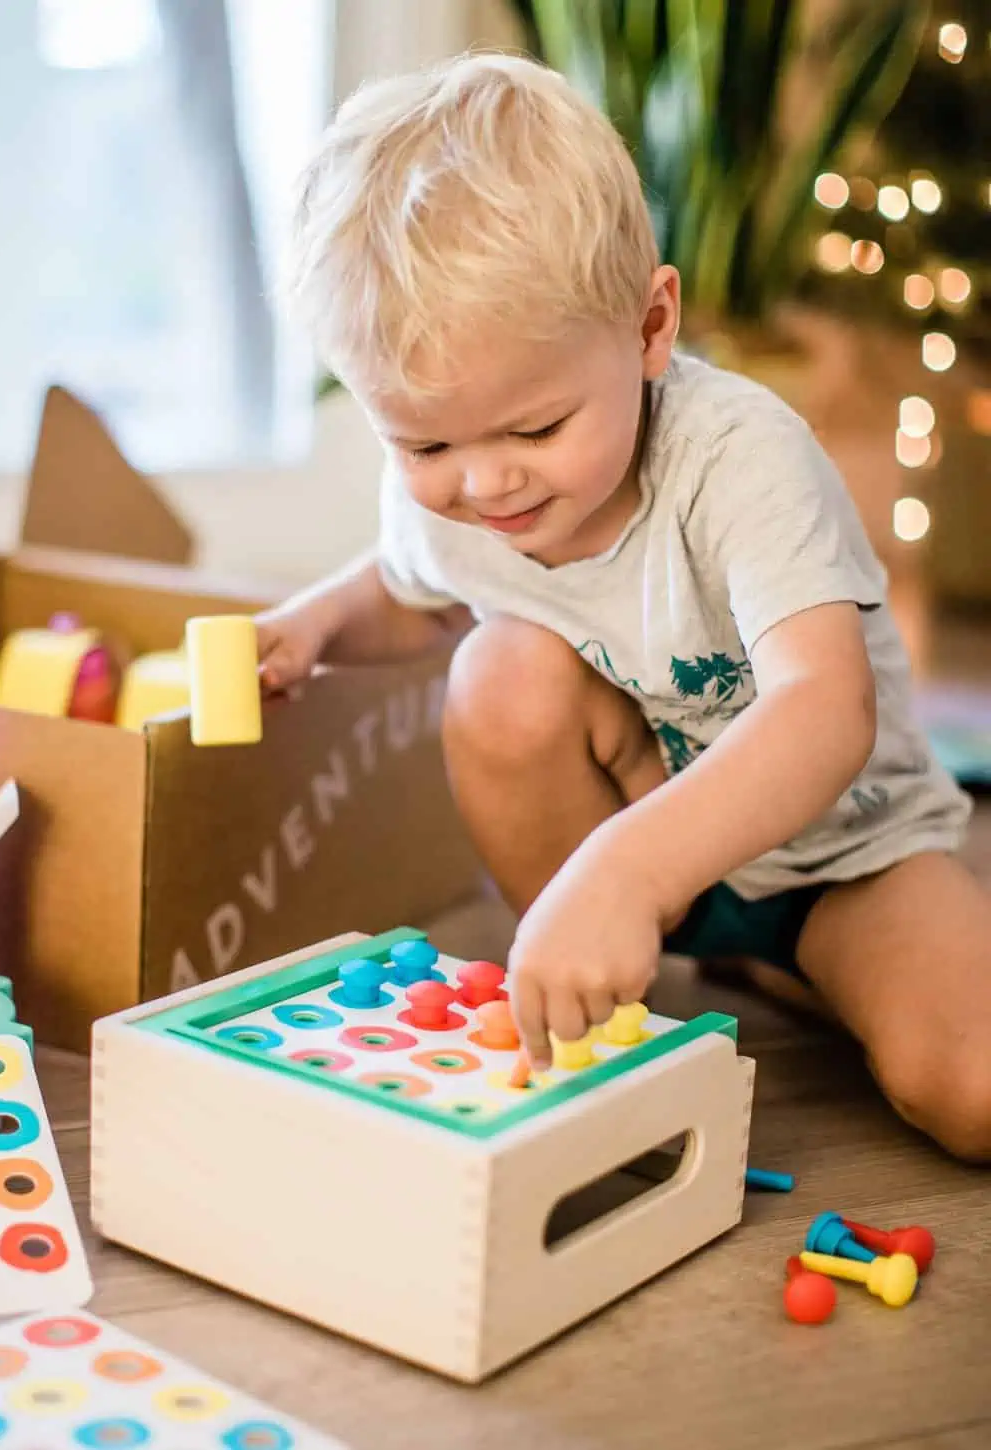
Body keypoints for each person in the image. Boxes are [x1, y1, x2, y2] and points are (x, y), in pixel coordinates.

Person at [253, 50, 990, 1161]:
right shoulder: (462, 493)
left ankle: (790, 960)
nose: (485, 482)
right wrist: (313, 625)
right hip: (649, 855)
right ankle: (614, 1016)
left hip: (846, 858)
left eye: (537, 430)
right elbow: (407, 590)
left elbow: (824, 712)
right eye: (426, 442)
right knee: (496, 670)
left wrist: (623, 872)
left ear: (651, 329)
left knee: (972, 1091)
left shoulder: (739, 456)